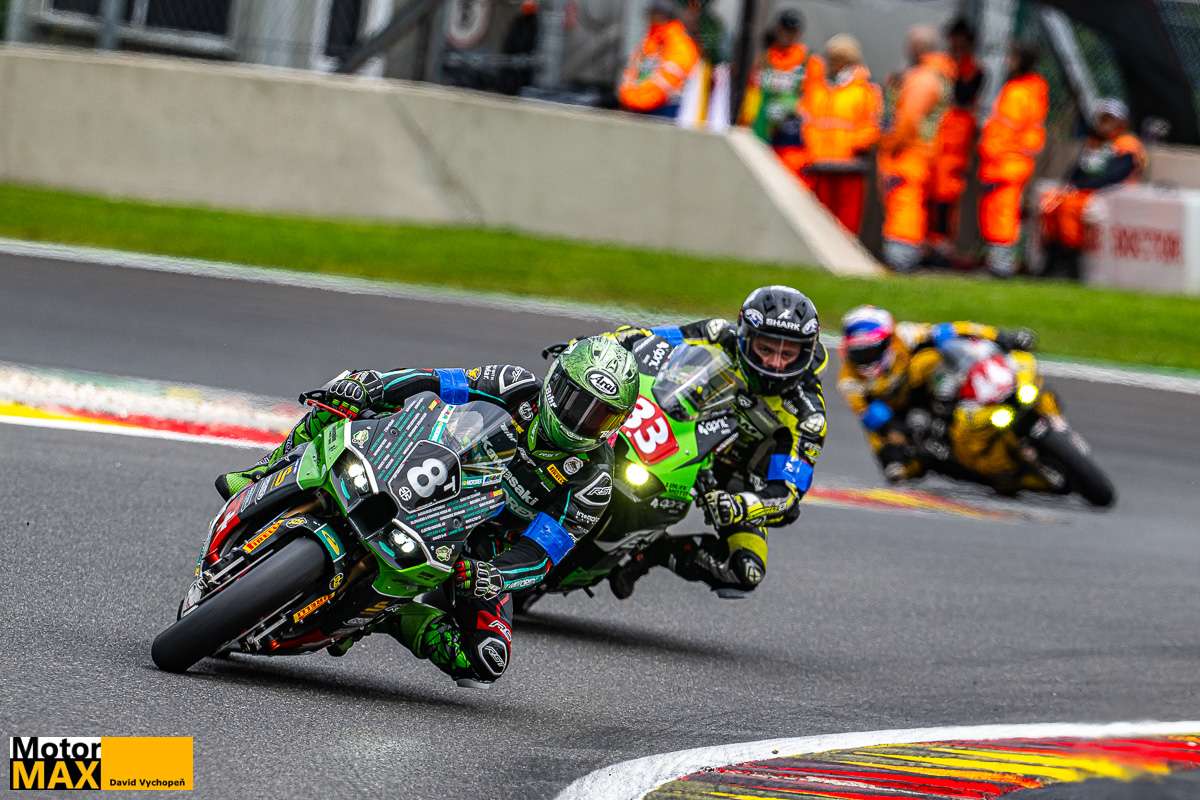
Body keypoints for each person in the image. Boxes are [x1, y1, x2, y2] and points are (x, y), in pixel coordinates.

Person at [214, 337, 639, 688]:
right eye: (574, 401)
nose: (580, 420)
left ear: (616, 423)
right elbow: (436, 381)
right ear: (555, 382)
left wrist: (495, 575)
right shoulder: (514, 384)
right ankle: (263, 471)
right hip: (428, 459)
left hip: (478, 543)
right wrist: (373, 386)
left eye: (598, 415)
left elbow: (541, 554)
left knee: (484, 660)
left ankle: (381, 615)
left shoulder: (594, 481)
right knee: (345, 399)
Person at [605, 286, 828, 598]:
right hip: (678, 428)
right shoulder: (718, 334)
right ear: (746, 337)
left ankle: (655, 552)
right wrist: (599, 347)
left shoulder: (807, 414)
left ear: (805, 353)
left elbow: (787, 494)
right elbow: (646, 338)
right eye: (766, 349)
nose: (775, 363)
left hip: (735, 479)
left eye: (787, 354)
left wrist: (743, 506)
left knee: (746, 570)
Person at [837, 305, 1036, 481]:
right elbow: (869, 417)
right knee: (882, 428)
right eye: (859, 353)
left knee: (930, 356)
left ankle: (968, 397)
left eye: (871, 350)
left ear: (888, 340)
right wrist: (893, 445)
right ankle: (917, 458)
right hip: (900, 412)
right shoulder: (849, 380)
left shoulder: (906, 335)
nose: (866, 358)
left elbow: (953, 329)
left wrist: (1001, 336)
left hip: (929, 389)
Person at [1040, 98, 1147, 279]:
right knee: (1051, 202)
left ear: (1122, 123)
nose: (1105, 124)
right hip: (1089, 191)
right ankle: (1052, 258)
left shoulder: (1126, 144)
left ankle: (1071, 262)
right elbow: (1078, 171)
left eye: (1110, 119)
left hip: (1114, 193)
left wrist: (1080, 187)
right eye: (1103, 119)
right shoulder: (1095, 142)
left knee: (1070, 206)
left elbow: (1114, 175)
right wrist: (1070, 187)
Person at [877, 25, 955, 271]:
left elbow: (908, 119)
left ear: (917, 48)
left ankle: (901, 257)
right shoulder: (937, 75)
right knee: (911, 203)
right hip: (923, 152)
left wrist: (891, 144)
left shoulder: (923, 78)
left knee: (904, 201)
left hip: (910, 152)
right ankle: (905, 255)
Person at [977, 40, 1049, 277]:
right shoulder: (1029, 90)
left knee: (1003, 214)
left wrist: (990, 151)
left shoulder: (1019, 92)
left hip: (1006, 163)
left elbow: (1005, 132)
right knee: (1001, 213)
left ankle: (1002, 266)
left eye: (1012, 57)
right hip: (1009, 163)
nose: (1008, 61)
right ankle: (999, 262)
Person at [803, 34, 882, 234]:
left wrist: (850, 145)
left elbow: (872, 128)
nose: (829, 63)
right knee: (817, 222)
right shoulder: (819, 87)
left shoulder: (864, 90)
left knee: (846, 225)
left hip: (849, 168)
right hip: (820, 165)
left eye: (834, 59)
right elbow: (809, 119)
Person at [738, 9, 825, 179]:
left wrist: (794, 110)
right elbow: (753, 93)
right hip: (763, 133)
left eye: (792, 31)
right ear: (777, 29)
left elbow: (816, 99)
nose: (787, 34)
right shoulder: (765, 59)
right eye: (784, 29)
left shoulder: (809, 61)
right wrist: (746, 121)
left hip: (793, 139)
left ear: (799, 33)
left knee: (790, 181)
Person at [928, 18, 985, 262]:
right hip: (935, 141)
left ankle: (941, 246)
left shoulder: (973, 69)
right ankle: (929, 244)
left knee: (946, 196)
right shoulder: (940, 64)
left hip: (955, 146)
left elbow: (964, 95)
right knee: (928, 195)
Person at [618, 0, 701, 118]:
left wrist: (638, 100)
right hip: (640, 107)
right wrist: (630, 98)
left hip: (666, 110)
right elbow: (632, 71)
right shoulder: (649, 39)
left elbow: (667, 82)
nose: (649, 18)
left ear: (663, 15)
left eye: (653, 13)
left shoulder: (680, 44)